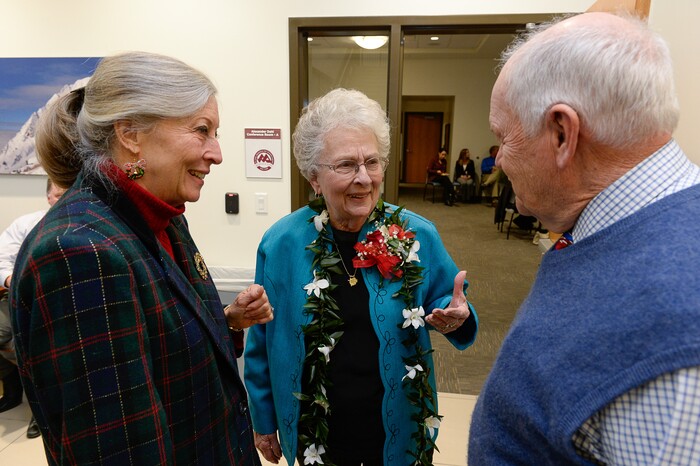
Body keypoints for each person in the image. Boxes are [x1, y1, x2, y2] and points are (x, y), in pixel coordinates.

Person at [10, 51, 273, 465]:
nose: (217, 153)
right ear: (130, 133)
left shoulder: (161, 218)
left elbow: (153, 346)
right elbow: (120, 449)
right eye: (202, 131)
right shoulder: (81, 252)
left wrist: (226, 322)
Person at [470, 12, 700, 465]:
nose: (498, 161)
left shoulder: (676, 337)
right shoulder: (613, 231)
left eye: (503, 138)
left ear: (561, 133)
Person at [245, 88, 478, 466]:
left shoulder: (417, 234)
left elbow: (447, 300)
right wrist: (263, 419)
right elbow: (262, 337)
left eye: (372, 162)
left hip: (396, 422)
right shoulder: (282, 243)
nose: (364, 178)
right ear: (314, 176)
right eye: (346, 165)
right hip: (313, 428)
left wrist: (453, 316)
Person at [0, 179, 65, 439]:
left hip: (60, 307)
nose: (63, 201)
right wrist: (14, 281)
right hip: (18, 298)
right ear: (48, 197)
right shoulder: (26, 224)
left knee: (41, 347)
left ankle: (43, 411)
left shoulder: (87, 224)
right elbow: (1, 261)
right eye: (58, 195)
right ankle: (14, 391)